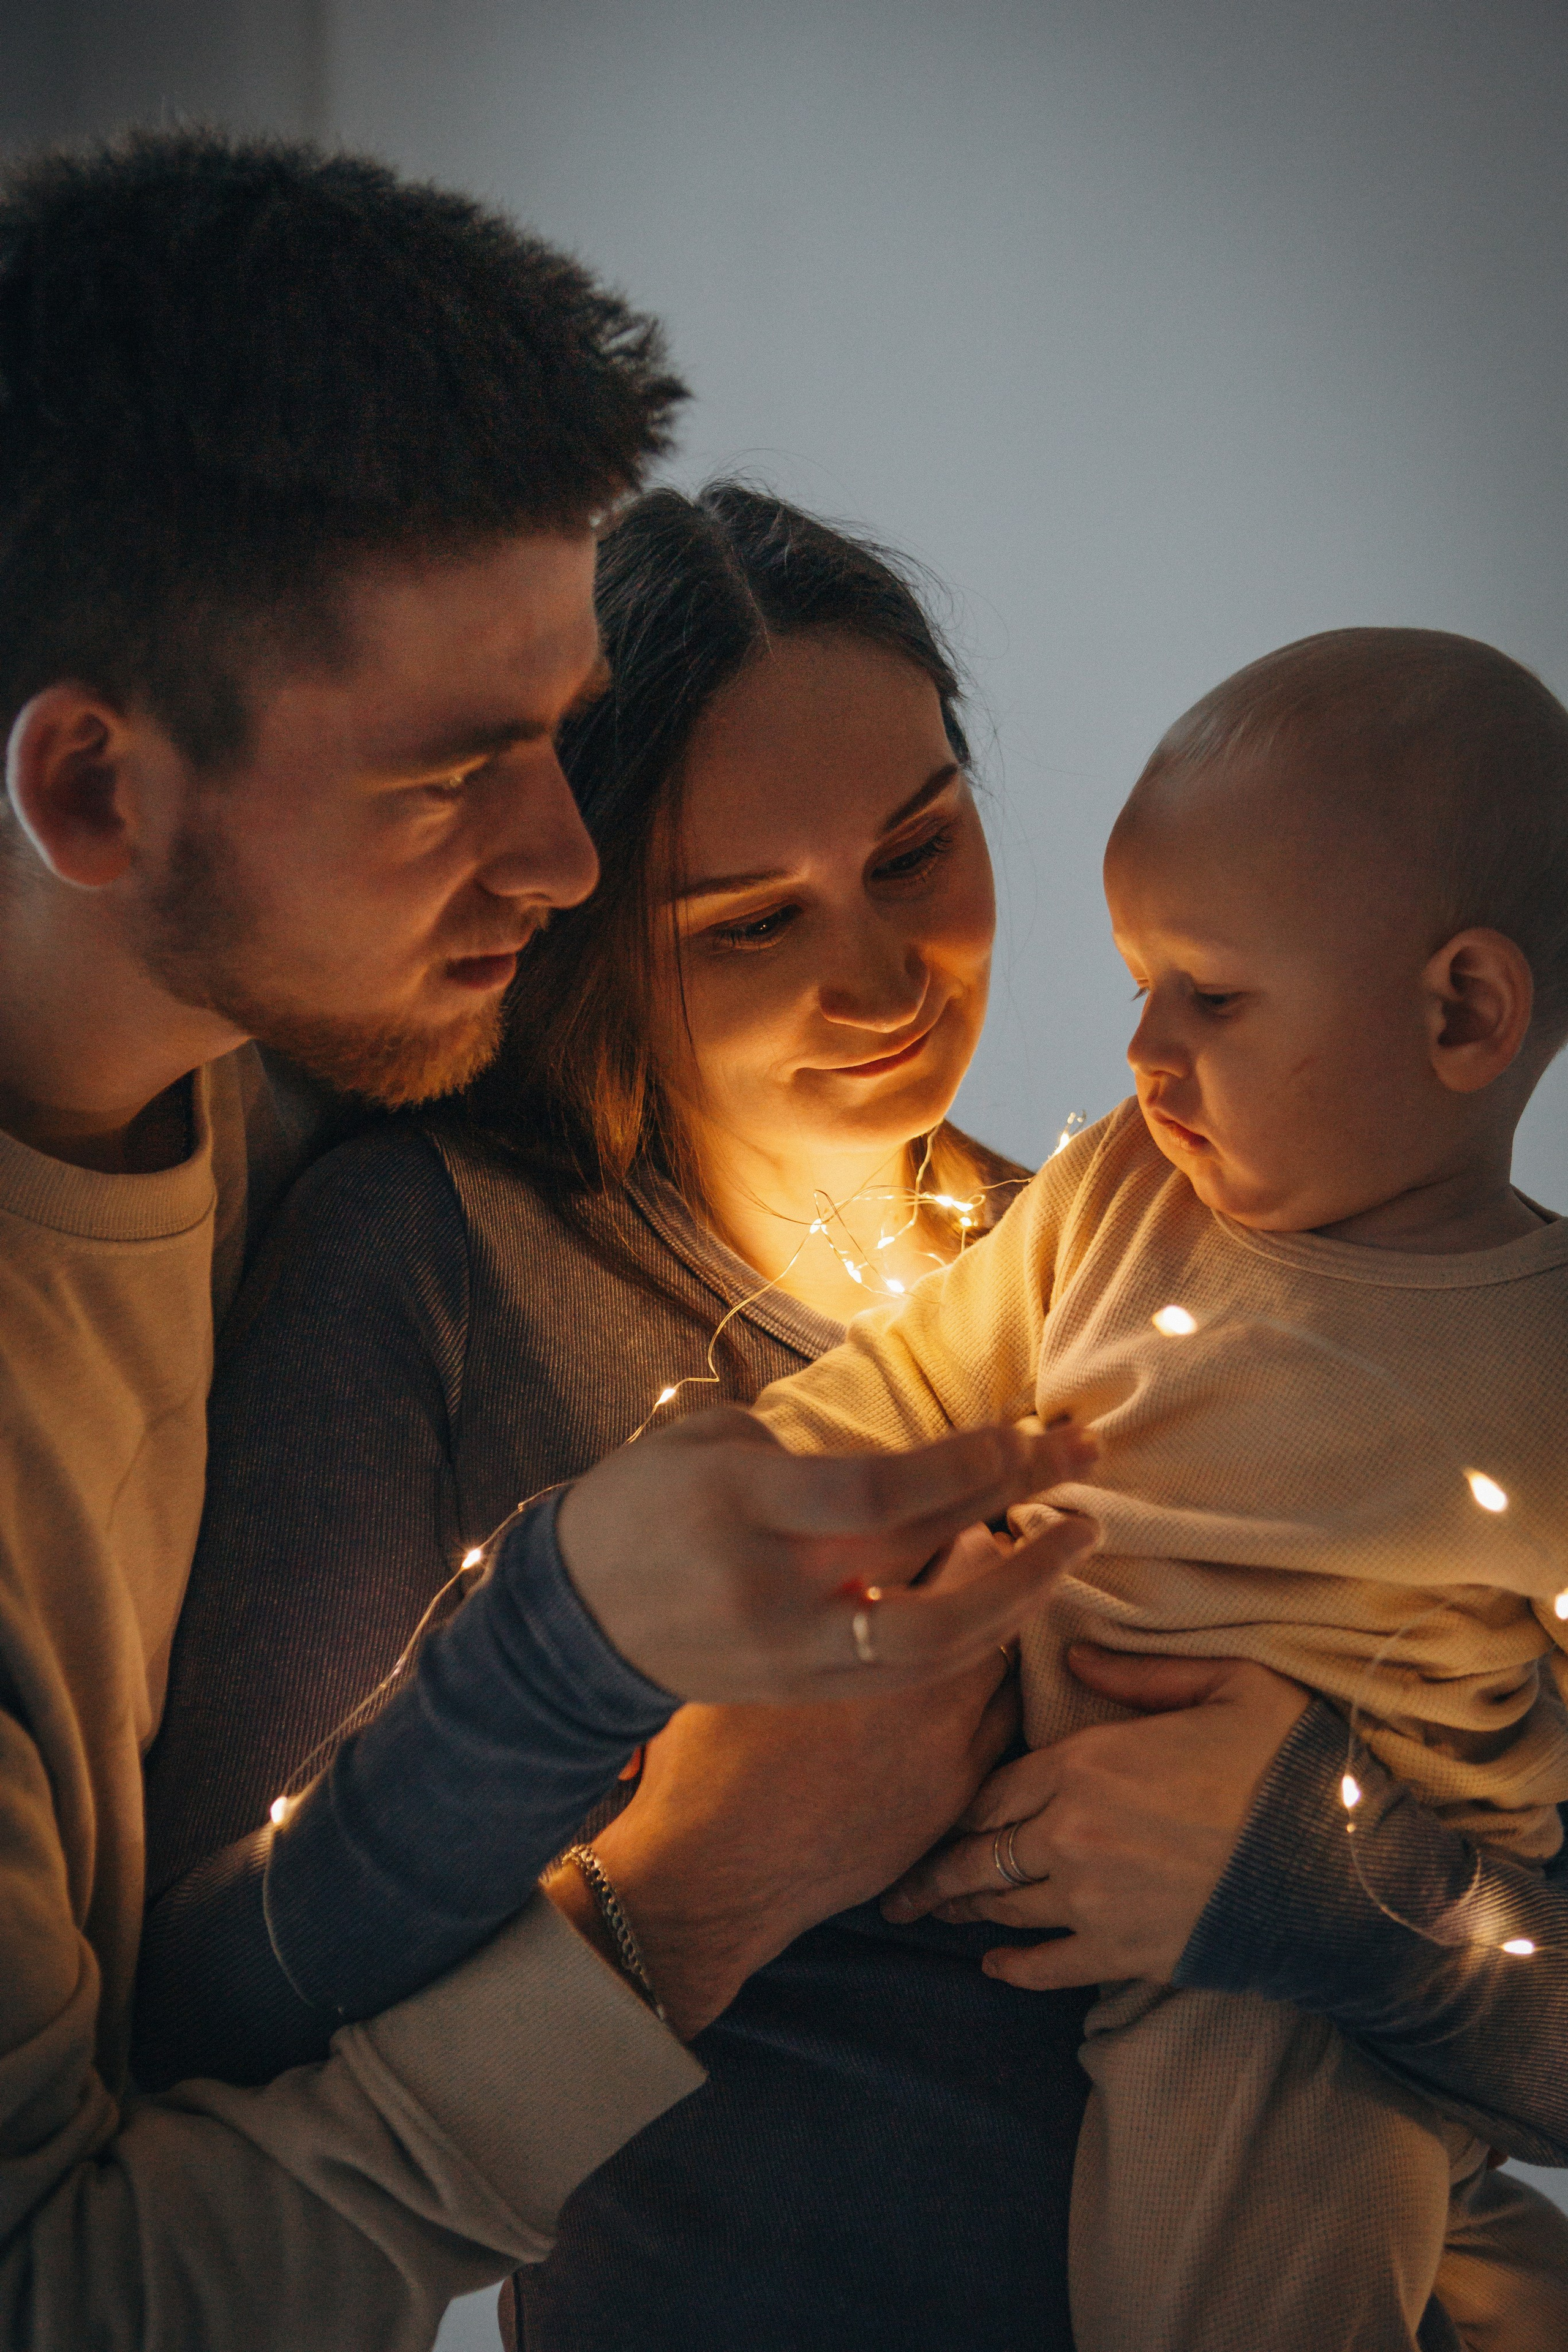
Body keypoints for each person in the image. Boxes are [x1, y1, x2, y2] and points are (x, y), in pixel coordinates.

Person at [143, 506, 1568, 2351]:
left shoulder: (1159, 1246)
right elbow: (200, 2012)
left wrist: (1316, 1869)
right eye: (750, 922)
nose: (887, 983)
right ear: (579, 929)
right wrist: (677, 1885)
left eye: (918, 850)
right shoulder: (439, 1263)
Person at [0, 134, 1088, 2352]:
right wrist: (659, 1841)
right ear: (100, 798)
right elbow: (85, 2274)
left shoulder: (328, 1045)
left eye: (566, 737)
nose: (574, 864)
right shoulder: (411, 1235)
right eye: (456, 769)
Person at [756, 626, 1568, 2350]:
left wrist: (1358, 1886)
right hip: (1060, 1866)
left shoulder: (1545, 1358)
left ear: (1462, 1011)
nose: (1142, 1046)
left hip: (1287, 1999)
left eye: (1210, 992)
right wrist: (760, 1493)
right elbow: (914, 1380)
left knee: (1221, 2294)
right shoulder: (1123, 1192)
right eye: (1137, 981)